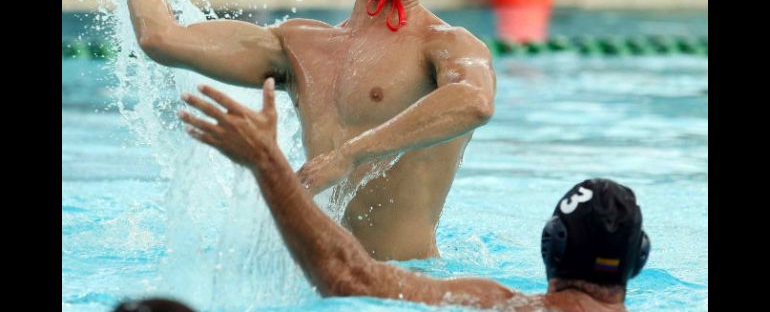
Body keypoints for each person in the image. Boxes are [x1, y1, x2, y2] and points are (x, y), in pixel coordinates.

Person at [94, 0, 495, 261]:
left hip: (406, 285)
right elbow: (162, 39)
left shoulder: (447, 44)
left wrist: (349, 155)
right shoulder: (301, 48)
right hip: (322, 279)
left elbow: (474, 102)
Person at [177, 79, 651, 312]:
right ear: (638, 258)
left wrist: (267, 162)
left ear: (551, 245)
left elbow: (348, 277)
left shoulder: (496, 305)